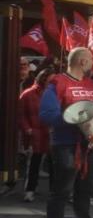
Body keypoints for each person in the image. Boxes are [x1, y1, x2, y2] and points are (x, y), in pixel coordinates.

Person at [38, 48, 93, 218]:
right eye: (90, 60)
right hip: (65, 143)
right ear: (82, 61)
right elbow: (47, 113)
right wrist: (73, 119)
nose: (92, 63)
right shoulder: (57, 83)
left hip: (91, 143)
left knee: (86, 189)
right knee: (61, 190)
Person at [18, 69, 53, 202]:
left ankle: (54, 191)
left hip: (51, 133)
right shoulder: (28, 94)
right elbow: (21, 115)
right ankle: (30, 189)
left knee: (53, 164)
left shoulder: (55, 93)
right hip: (35, 133)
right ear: (43, 79)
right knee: (34, 163)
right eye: (50, 79)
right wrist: (28, 129)